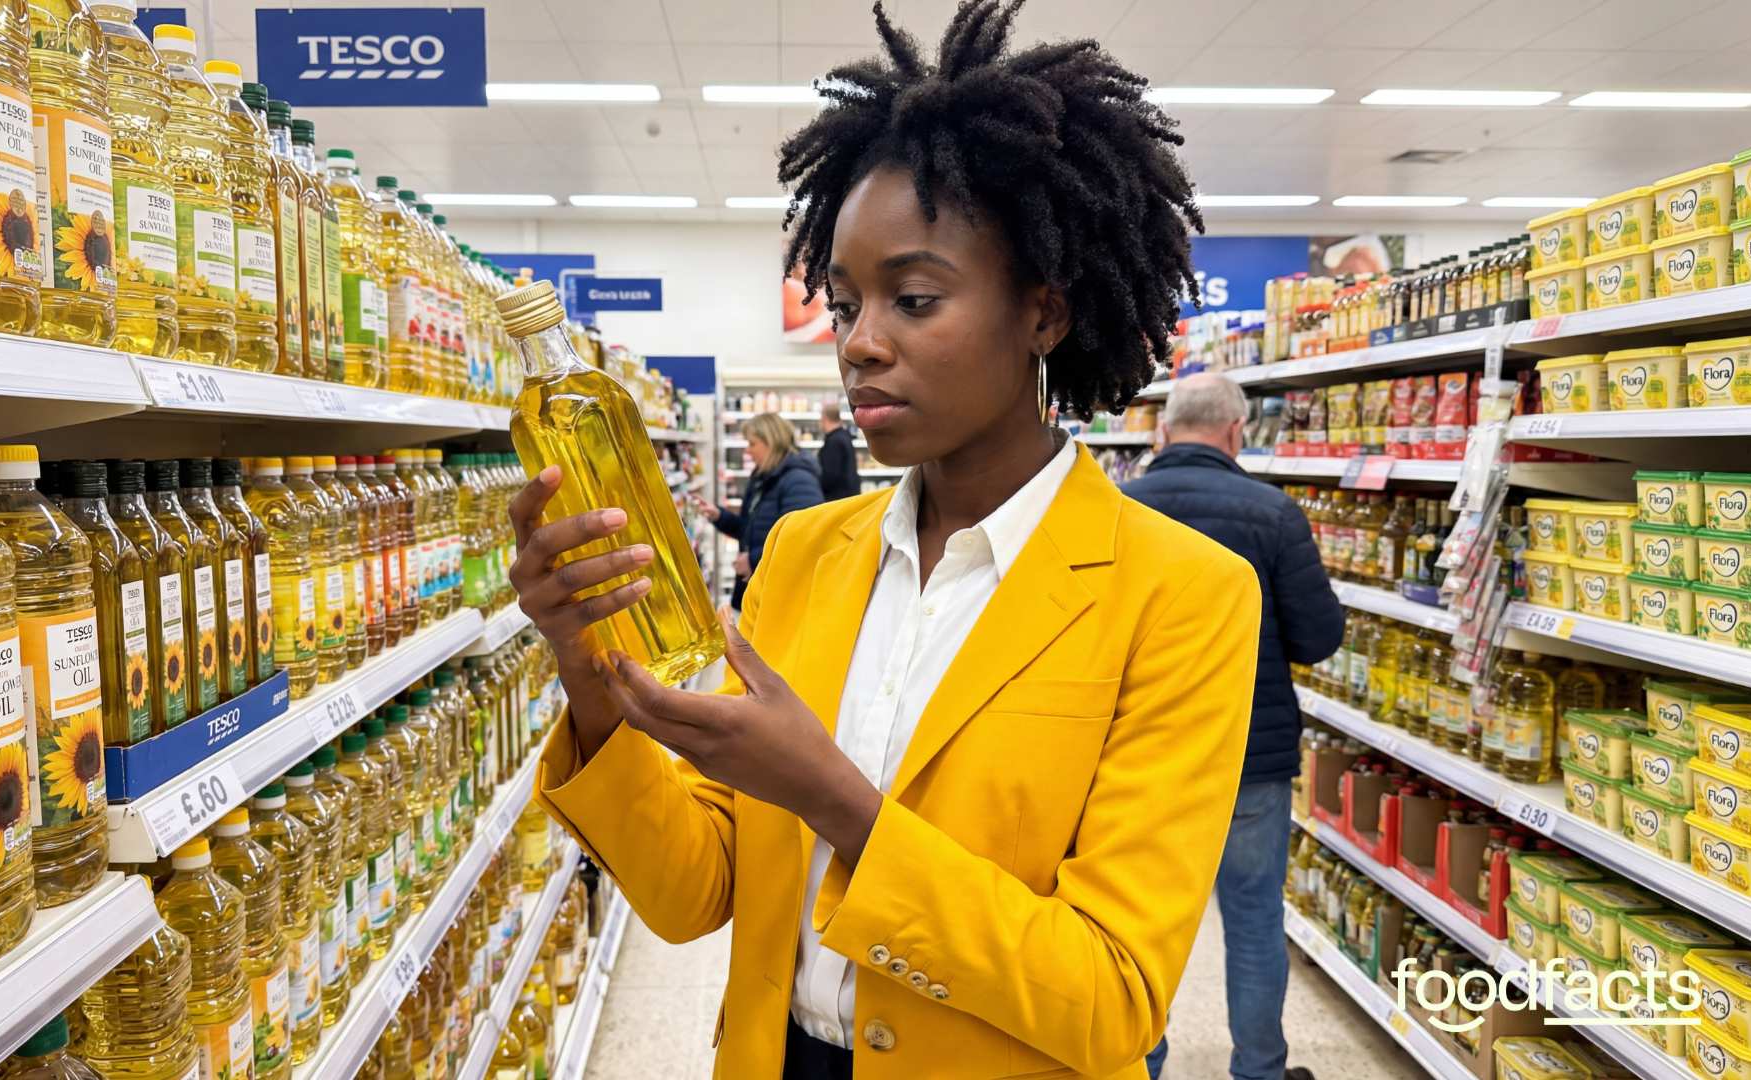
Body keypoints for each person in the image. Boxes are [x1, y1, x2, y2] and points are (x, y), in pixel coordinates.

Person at [509, 3, 1259, 1076]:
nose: (859, 345)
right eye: (846, 302)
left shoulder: (1182, 593)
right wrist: (587, 669)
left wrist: (835, 802)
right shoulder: (810, 553)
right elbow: (690, 895)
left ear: (1043, 314)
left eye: (913, 299)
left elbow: (1111, 997)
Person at [1119, 371, 1345, 1080]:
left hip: (1144, 756)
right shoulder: (1272, 513)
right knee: (1252, 921)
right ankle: (1259, 1070)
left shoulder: (1119, 509)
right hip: (1249, 753)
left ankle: (1138, 1062)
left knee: (1141, 921)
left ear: (1164, 430)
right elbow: (1316, 637)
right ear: (1235, 432)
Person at [699, 412, 823, 609]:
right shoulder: (761, 477)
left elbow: (804, 539)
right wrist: (720, 516)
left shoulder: (799, 480)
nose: (747, 452)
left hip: (779, 597)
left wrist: (753, 560)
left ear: (771, 442)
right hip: (757, 591)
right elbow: (749, 530)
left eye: (752, 443)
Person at [817, 401, 862, 501]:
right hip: (848, 496)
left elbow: (830, 476)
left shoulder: (834, 441)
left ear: (824, 418)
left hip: (838, 499)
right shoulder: (844, 436)